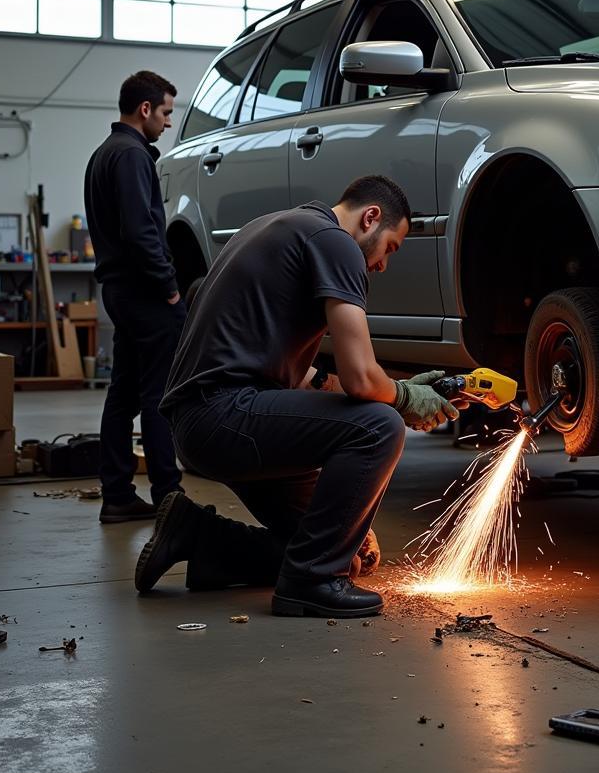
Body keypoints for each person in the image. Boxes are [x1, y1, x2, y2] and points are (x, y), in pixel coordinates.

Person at [134, 175, 461, 618]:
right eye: (391, 248)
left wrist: (408, 390)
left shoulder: (281, 228)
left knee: (343, 555)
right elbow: (363, 379)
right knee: (379, 426)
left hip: (207, 420)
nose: (383, 265)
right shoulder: (336, 243)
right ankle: (308, 584)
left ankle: (195, 534)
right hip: (224, 414)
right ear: (371, 218)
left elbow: (313, 378)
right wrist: (402, 398)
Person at [84, 71, 186, 524]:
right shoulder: (131, 156)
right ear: (145, 109)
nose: (167, 122)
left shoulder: (103, 154)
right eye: (165, 112)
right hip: (144, 292)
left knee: (123, 393)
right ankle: (169, 496)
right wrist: (168, 287)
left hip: (118, 292)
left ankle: (118, 495)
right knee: (158, 394)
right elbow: (140, 230)